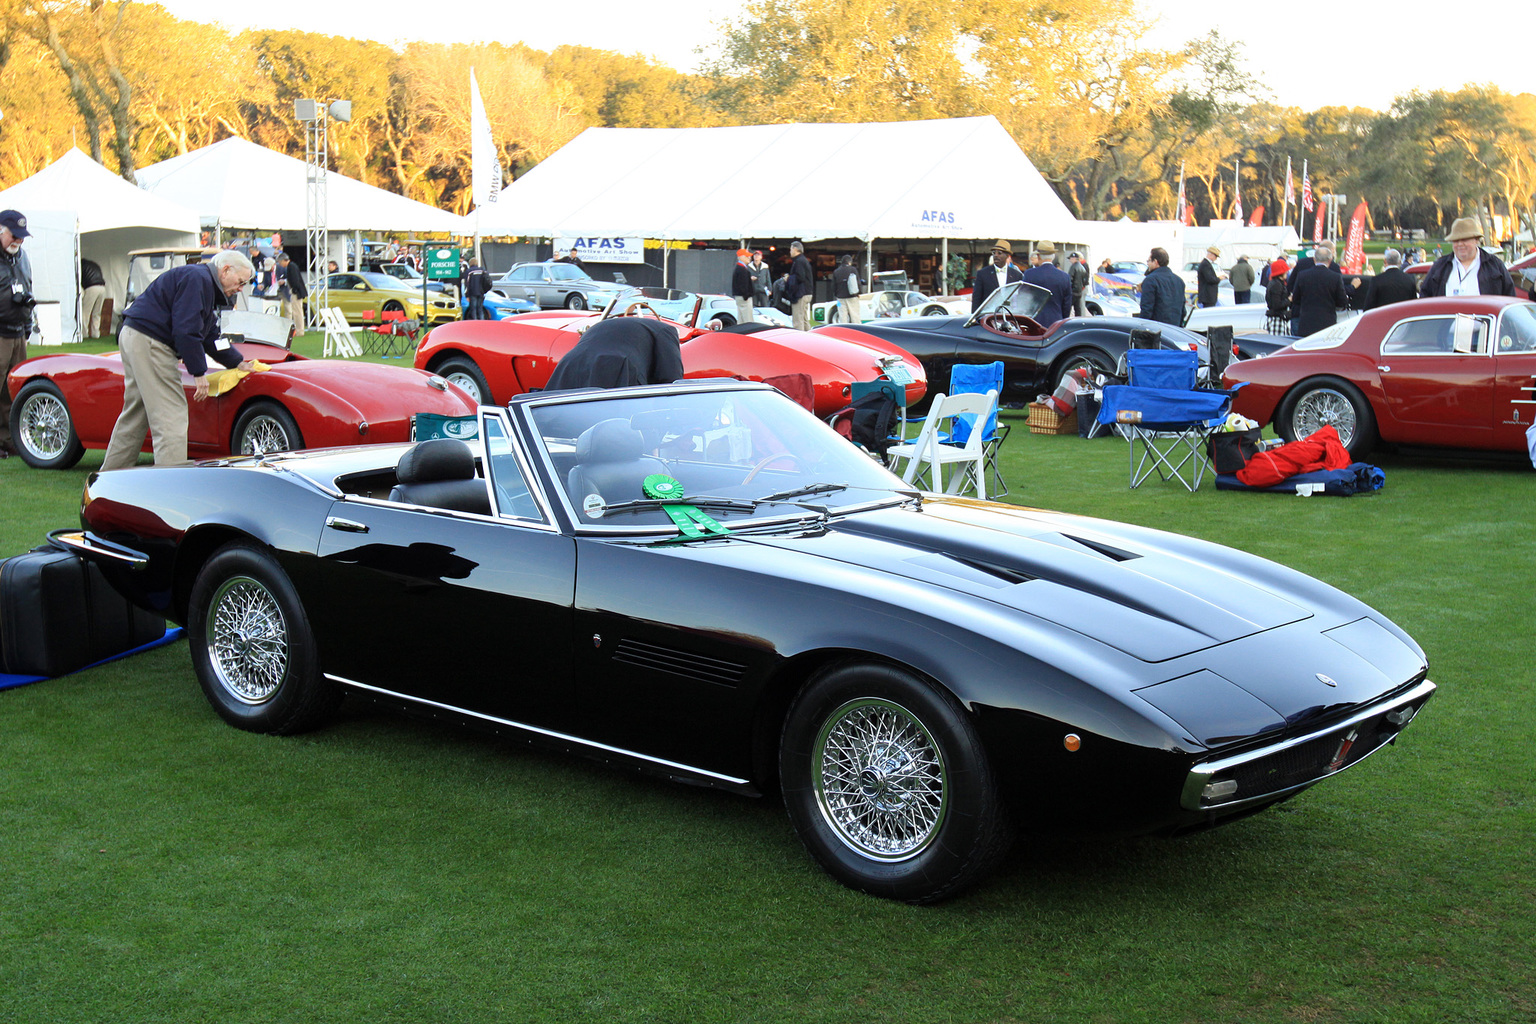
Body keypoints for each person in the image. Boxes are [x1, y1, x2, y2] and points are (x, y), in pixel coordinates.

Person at [100, 249, 255, 470]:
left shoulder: (201, 281)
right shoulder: (198, 280)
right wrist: (198, 372)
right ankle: (171, 487)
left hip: (135, 336)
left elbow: (209, 334)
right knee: (171, 414)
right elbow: (186, 331)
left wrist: (236, 361)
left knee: (136, 413)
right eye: (240, 282)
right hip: (151, 341)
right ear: (225, 270)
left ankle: (109, 479)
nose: (240, 288)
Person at [0, 210, 36, 458]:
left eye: (22, 237)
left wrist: (27, 325)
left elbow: (28, 289)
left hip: (17, 332)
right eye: (15, 235)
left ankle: (9, 438)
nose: (18, 241)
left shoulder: (22, 258)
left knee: (13, 390)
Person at [1418, 218, 1515, 297]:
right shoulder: (1440, 266)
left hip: (1483, 321)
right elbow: (1425, 297)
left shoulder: (1494, 266)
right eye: (1456, 241)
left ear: (1476, 240)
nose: (1460, 244)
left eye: (1465, 239)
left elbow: (1509, 297)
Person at [1289, 243, 1349, 337]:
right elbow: (1342, 301)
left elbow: (1296, 299)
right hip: (1327, 323)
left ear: (1314, 259)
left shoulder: (1302, 275)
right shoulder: (1335, 277)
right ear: (1330, 260)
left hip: (1306, 322)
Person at [1021, 241, 1073, 326]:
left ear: (1038, 256)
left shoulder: (1029, 274)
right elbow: (1067, 305)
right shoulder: (1064, 277)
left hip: (1033, 323)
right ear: (1053, 256)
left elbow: (1023, 300)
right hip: (1056, 322)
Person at [1138, 247, 1185, 327]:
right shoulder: (1179, 281)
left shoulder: (1150, 280)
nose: (1148, 264)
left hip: (1156, 328)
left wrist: (1141, 328)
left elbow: (1146, 310)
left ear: (1155, 262)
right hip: (1175, 328)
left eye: (1149, 261)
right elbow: (1183, 310)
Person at [971, 240, 1024, 312]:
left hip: (1010, 316)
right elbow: (976, 299)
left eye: (999, 253)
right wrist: (974, 318)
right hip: (988, 316)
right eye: (993, 253)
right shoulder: (983, 273)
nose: (996, 255)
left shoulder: (1016, 275)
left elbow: (1021, 299)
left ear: (1007, 255)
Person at [788, 241, 814, 332]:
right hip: (807, 293)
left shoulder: (799, 261)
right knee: (804, 319)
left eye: (791, 249)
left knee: (798, 320)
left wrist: (789, 278)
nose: (790, 251)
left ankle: (798, 341)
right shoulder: (803, 260)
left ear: (795, 249)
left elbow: (800, 277)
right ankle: (810, 338)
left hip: (801, 293)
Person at [277, 253, 308, 327]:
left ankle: (299, 330)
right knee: (297, 311)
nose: (280, 264)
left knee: (297, 312)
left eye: (280, 262)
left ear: (283, 261)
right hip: (296, 291)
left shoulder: (291, 267)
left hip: (296, 292)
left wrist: (294, 290)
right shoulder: (291, 266)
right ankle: (299, 329)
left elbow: (295, 280)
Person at [80, 257, 108, 339]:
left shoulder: (80, 265)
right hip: (102, 288)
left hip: (91, 287)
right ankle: (96, 334)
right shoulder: (93, 264)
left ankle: (84, 334)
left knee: (85, 313)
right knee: (97, 313)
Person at [832, 254, 861, 324]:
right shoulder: (853, 270)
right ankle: (856, 331)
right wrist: (859, 293)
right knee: (855, 315)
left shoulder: (836, 271)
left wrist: (836, 295)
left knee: (842, 316)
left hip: (840, 298)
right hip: (852, 296)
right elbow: (858, 283)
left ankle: (843, 330)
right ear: (849, 262)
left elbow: (833, 286)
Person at [730, 249, 756, 325]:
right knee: (747, 320)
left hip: (740, 296)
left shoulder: (740, 268)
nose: (749, 258)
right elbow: (743, 285)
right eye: (747, 256)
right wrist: (746, 295)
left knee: (741, 320)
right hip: (744, 297)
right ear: (741, 257)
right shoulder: (741, 269)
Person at [1265, 260, 1290, 329]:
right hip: (1277, 319)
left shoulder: (1275, 283)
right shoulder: (1277, 285)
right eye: (1285, 271)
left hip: (1276, 317)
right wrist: (1289, 300)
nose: (1287, 272)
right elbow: (1276, 305)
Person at [1068, 252, 1090, 317]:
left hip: (1073, 291)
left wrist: (1069, 288)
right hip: (1079, 291)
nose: (1069, 260)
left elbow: (1070, 279)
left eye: (1070, 258)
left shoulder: (1073, 267)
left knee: (1068, 308)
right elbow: (1085, 279)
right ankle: (1080, 320)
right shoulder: (1082, 267)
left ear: (1074, 258)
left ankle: (1065, 321)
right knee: (1078, 308)